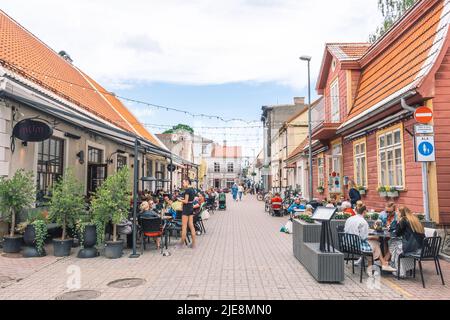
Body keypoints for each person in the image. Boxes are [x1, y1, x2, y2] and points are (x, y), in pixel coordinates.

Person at [344, 206, 396, 272]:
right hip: (356, 245)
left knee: (374, 243)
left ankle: (381, 264)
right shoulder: (363, 222)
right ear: (364, 212)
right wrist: (372, 237)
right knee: (375, 243)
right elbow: (363, 237)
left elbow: (348, 231)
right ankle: (381, 264)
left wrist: (371, 237)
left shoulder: (350, 219)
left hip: (347, 243)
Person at [389, 206, 425, 277]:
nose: (397, 213)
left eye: (398, 212)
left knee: (392, 244)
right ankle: (406, 268)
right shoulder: (415, 219)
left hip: (411, 247)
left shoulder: (403, 220)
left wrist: (397, 223)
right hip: (420, 246)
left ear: (401, 213)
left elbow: (397, 233)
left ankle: (400, 271)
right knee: (395, 244)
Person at [177, 177, 197, 249]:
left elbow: (185, 201)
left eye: (183, 182)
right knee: (191, 226)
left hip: (186, 209)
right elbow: (190, 200)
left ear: (187, 182)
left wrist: (179, 200)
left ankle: (181, 243)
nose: (183, 184)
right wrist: (184, 200)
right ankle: (194, 244)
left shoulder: (187, 190)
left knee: (184, 226)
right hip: (191, 207)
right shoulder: (192, 190)